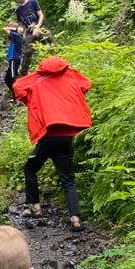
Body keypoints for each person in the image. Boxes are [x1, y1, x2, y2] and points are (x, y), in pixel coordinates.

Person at [12, 56, 92, 230]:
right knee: (68, 180)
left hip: (48, 135)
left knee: (30, 168)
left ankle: (34, 205)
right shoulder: (69, 74)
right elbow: (86, 84)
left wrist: (32, 99)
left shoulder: (37, 78)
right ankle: (76, 219)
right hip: (67, 136)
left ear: (43, 66)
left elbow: (17, 87)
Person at [9, 0, 45, 68]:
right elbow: (21, 23)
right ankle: (22, 74)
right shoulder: (18, 10)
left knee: (52, 46)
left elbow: (41, 15)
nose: (17, 0)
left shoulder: (33, 2)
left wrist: (37, 26)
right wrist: (20, 28)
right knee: (27, 53)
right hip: (29, 33)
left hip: (40, 28)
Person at [3, 19, 25, 94]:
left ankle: (19, 94)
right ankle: (15, 95)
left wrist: (13, 28)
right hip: (12, 60)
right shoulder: (16, 37)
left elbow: (5, 29)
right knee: (7, 79)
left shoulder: (17, 36)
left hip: (14, 59)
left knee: (13, 77)